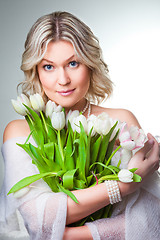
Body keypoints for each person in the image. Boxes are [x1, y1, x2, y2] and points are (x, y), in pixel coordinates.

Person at [0, 11, 159, 240]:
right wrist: (121, 187)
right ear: (35, 70)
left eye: (73, 63)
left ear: (90, 64)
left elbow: (149, 219)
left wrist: (70, 235)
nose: (63, 79)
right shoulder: (19, 131)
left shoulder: (121, 122)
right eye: (48, 67)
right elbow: (37, 219)